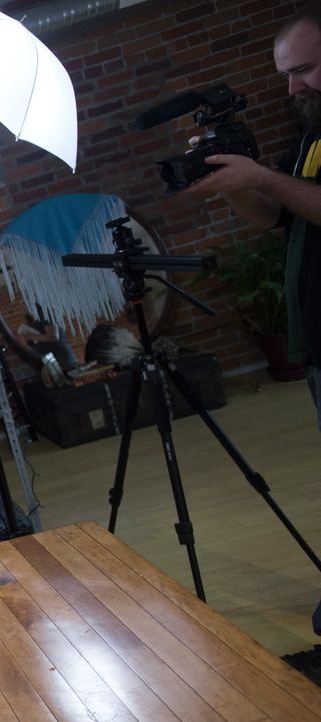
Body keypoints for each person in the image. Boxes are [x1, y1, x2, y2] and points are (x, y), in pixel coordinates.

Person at [183, 3, 321, 427]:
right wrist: (232, 181)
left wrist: (260, 176)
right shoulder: (313, 137)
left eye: (305, 69)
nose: (294, 88)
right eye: (287, 75)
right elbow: (277, 216)